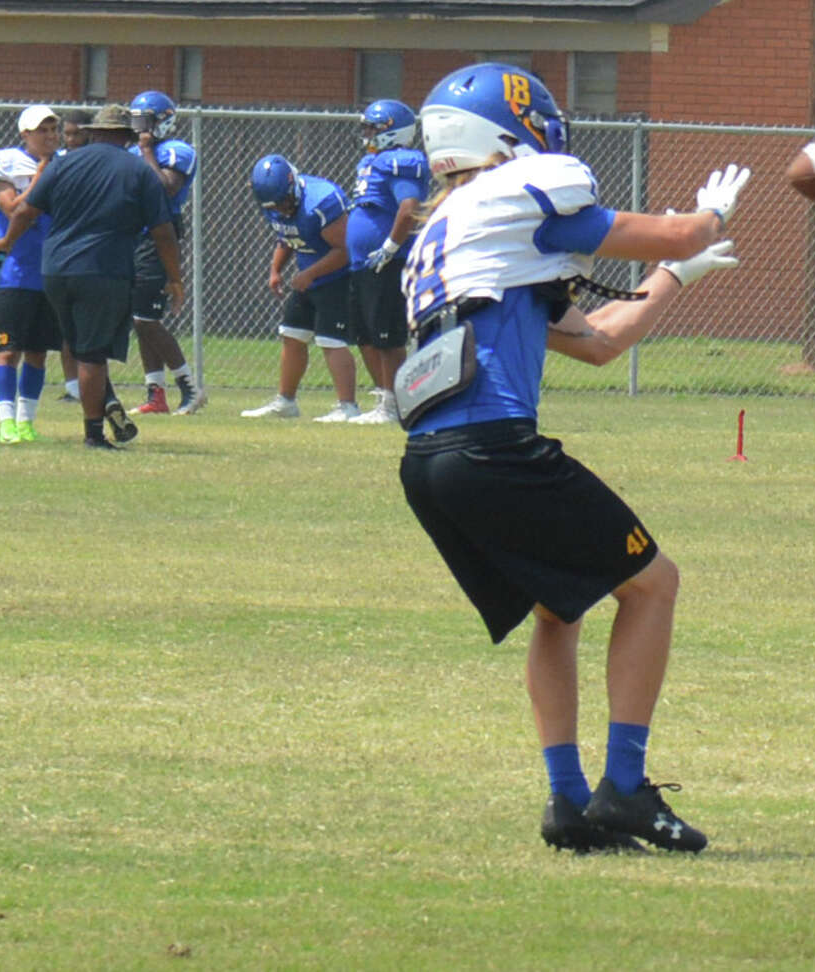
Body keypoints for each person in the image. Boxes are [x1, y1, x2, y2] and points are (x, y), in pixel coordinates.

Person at [398, 63, 749, 854]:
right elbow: (680, 230)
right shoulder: (529, 189)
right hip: (493, 450)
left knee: (560, 609)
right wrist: (705, 220)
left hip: (429, 463)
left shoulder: (446, 235)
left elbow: (597, 342)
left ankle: (566, 803)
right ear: (511, 131)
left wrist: (671, 277)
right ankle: (622, 789)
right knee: (654, 586)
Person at [0, 104, 182, 450]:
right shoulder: (138, 171)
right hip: (104, 271)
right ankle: (94, 433)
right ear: (127, 136)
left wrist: (5, 242)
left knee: (77, 346)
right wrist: (175, 277)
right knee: (92, 353)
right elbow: (163, 230)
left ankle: (105, 402)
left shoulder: (62, 163)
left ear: (94, 132)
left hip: (55, 270)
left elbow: (25, 211)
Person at [241, 154, 360, 422]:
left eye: (284, 201)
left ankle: (348, 407)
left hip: (338, 277)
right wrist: (275, 270)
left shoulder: (322, 200)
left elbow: (347, 249)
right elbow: (287, 236)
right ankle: (286, 402)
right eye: (276, 205)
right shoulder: (271, 202)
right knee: (293, 335)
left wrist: (309, 274)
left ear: (292, 184)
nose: (282, 208)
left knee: (331, 340)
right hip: (310, 275)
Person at [0, 105, 63, 443]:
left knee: (39, 352)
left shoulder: (65, 163)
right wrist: (40, 177)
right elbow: (12, 208)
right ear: (25, 134)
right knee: (9, 351)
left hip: (51, 271)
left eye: (53, 130)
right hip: (16, 272)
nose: (50, 136)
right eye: (43, 130)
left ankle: (27, 421)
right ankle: (6, 422)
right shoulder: (7, 163)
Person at [342, 99, 429, 425]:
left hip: (389, 262)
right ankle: (384, 398)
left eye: (373, 128)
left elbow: (409, 208)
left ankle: (395, 405)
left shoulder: (402, 161)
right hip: (364, 262)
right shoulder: (371, 161)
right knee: (365, 335)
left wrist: (391, 247)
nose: (367, 134)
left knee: (388, 337)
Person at [127, 90, 205, 416]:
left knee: (146, 319)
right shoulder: (133, 150)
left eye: (144, 121)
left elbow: (164, 188)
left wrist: (145, 150)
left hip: (159, 237)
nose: (139, 128)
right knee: (142, 318)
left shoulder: (178, 151)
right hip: (134, 235)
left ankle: (189, 386)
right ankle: (155, 393)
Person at [53, 108, 92, 402]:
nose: (70, 139)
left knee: (87, 327)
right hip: (62, 248)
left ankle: (91, 385)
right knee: (65, 325)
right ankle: (72, 388)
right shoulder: (59, 162)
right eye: (66, 133)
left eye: (76, 133)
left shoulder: (96, 162)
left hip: (90, 250)